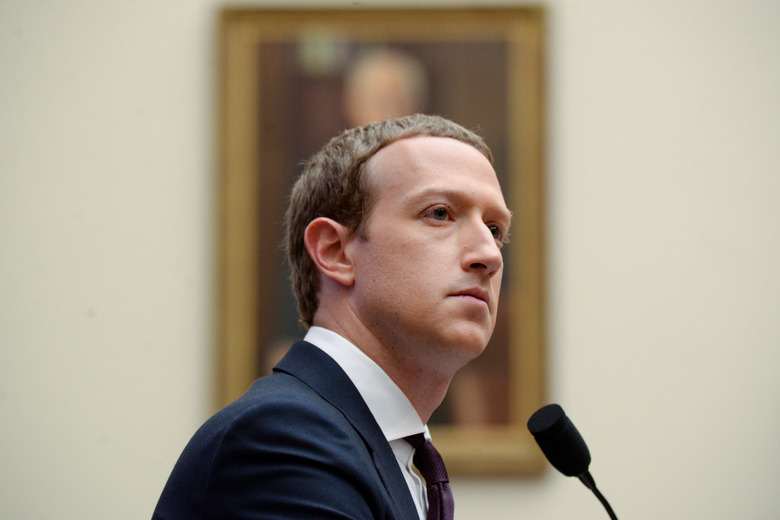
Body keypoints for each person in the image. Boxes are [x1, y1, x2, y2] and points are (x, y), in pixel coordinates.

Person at [151, 113, 512, 520]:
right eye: (441, 213)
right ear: (336, 252)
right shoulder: (282, 438)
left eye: (496, 229)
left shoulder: (385, 451)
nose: (489, 255)